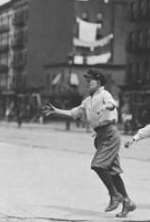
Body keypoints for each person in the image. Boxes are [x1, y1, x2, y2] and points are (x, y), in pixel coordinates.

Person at [42, 68, 136, 218]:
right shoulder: (87, 101)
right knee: (113, 172)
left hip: (110, 133)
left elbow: (112, 104)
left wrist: (105, 107)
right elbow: (75, 113)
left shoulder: (105, 94)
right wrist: (56, 111)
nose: (87, 84)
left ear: (98, 82)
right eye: (86, 81)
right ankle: (128, 202)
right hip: (100, 135)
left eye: (89, 81)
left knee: (98, 165)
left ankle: (115, 195)